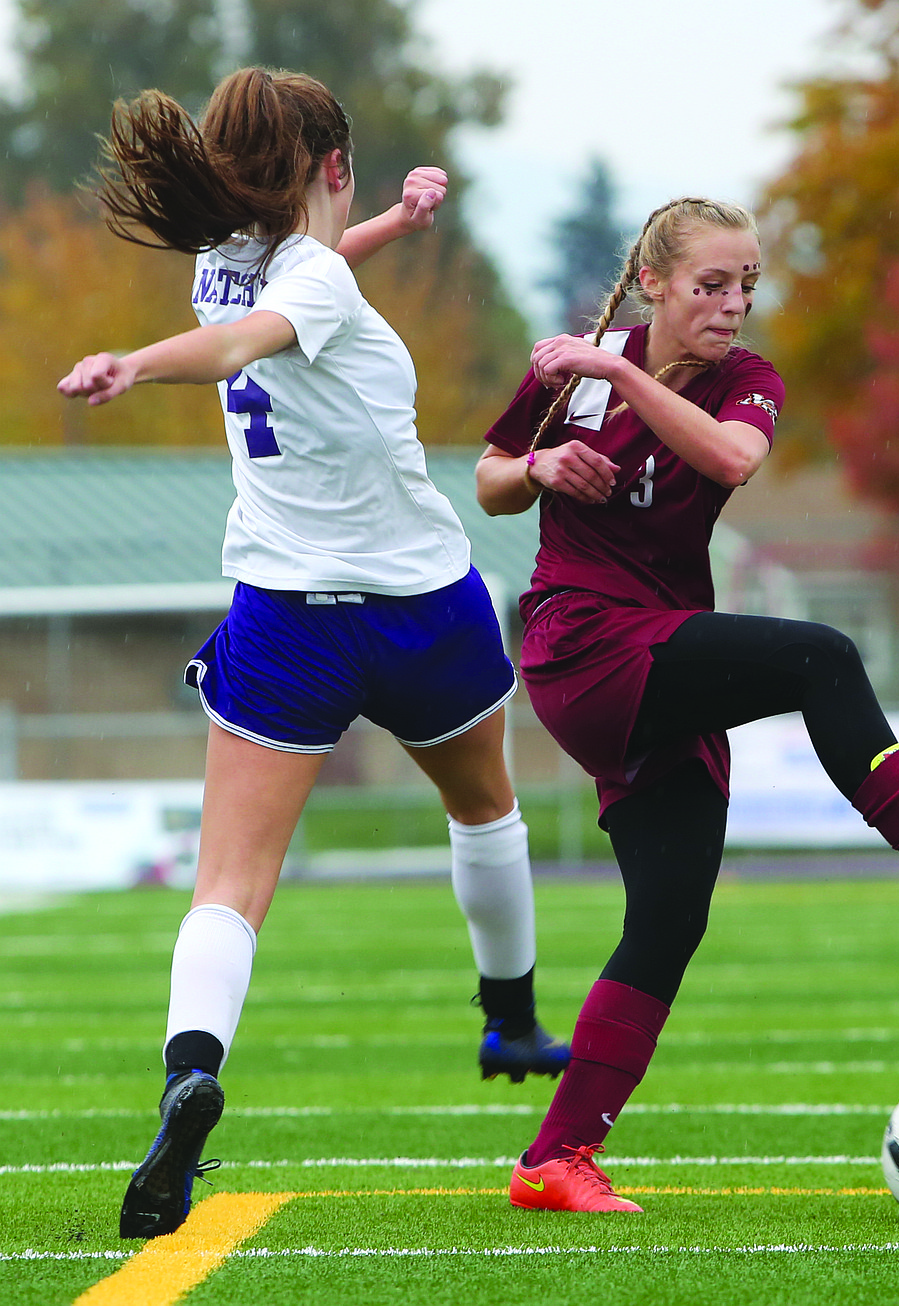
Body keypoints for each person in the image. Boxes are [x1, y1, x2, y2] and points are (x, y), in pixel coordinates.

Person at [476, 196, 899, 1213]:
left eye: (748, 285)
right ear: (653, 284)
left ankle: (555, 1158)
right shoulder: (587, 368)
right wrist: (540, 462)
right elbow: (492, 480)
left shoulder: (738, 381)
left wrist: (620, 375)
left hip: (655, 658)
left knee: (668, 920)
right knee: (823, 658)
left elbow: (731, 459)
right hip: (581, 643)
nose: (734, 304)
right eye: (712, 284)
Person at [58, 67, 567, 1240]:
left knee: (230, 885)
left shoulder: (226, 262)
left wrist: (391, 222)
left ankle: (190, 1071)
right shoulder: (304, 279)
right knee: (485, 811)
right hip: (420, 608)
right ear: (331, 166)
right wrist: (140, 363)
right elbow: (264, 328)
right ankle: (511, 1019)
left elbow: (284, 296)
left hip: (286, 616)